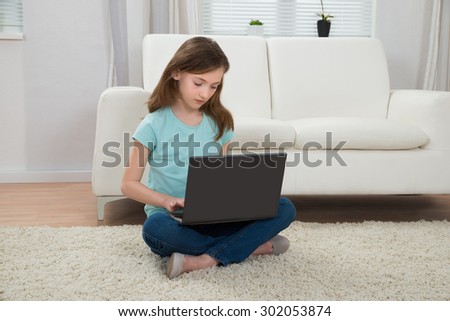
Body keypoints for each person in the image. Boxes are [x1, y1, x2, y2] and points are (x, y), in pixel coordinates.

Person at [121, 36, 296, 279]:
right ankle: (253, 246)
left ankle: (203, 259)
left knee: (285, 207)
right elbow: (128, 184)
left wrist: (241, 198)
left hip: (214, 216)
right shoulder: (152, 124)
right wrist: (166, 201)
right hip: (171, 218)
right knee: (154, 230)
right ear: (176, 73)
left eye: (214, 86)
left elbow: (223, 177)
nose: (205, 93)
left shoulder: (220, 123)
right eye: (199, 83)